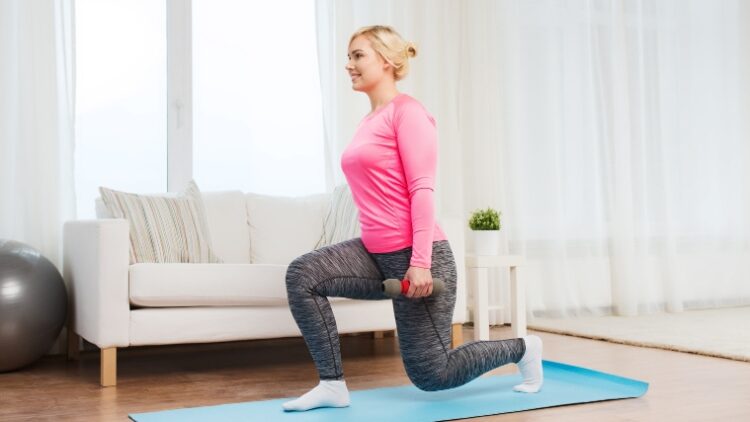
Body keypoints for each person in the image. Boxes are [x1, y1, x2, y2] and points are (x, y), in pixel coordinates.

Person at [282, 25, 543, 412]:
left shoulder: (410, 113)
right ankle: (332, 385)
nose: (348, 65)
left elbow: (421, 190)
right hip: (374, 252)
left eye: (358, 56)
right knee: (302, 275)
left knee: (432, 375)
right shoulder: (369, 121)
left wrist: (419, 263)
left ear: (386, 61)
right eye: (348, 56)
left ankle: (524, 348)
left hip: (418, 256)